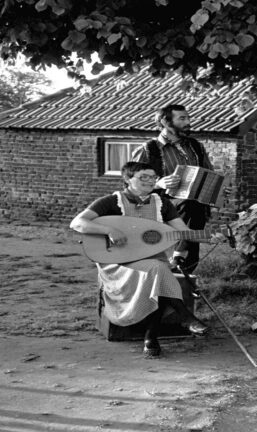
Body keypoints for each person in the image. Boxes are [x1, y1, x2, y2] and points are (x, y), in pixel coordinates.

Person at [70, 162, 212, 358]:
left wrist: (212, 236)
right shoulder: (111, 201)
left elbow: (183, 231)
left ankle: (152, 336)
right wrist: (109, 230)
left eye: (153, 177)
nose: (149, 181)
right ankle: (181, 319)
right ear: (128, 179)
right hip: (118, 261)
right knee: (159, 270)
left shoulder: (162, 203)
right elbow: (77, 222)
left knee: (157, 270)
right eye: (143, 177)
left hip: (153, 257)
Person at [131, 104, 217, 273]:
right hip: (161, 207)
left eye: (188, 118)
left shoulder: (195, 146)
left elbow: (209, 175)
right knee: (191, 205)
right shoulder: (148, 149)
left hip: (193, 211)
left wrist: (218, 189)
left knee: (190, 259)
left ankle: (182, 287)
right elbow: (132, 185)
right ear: (165, 122)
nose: (188, 122)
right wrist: (158, 183)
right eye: (182, 118)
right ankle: (179, 254)